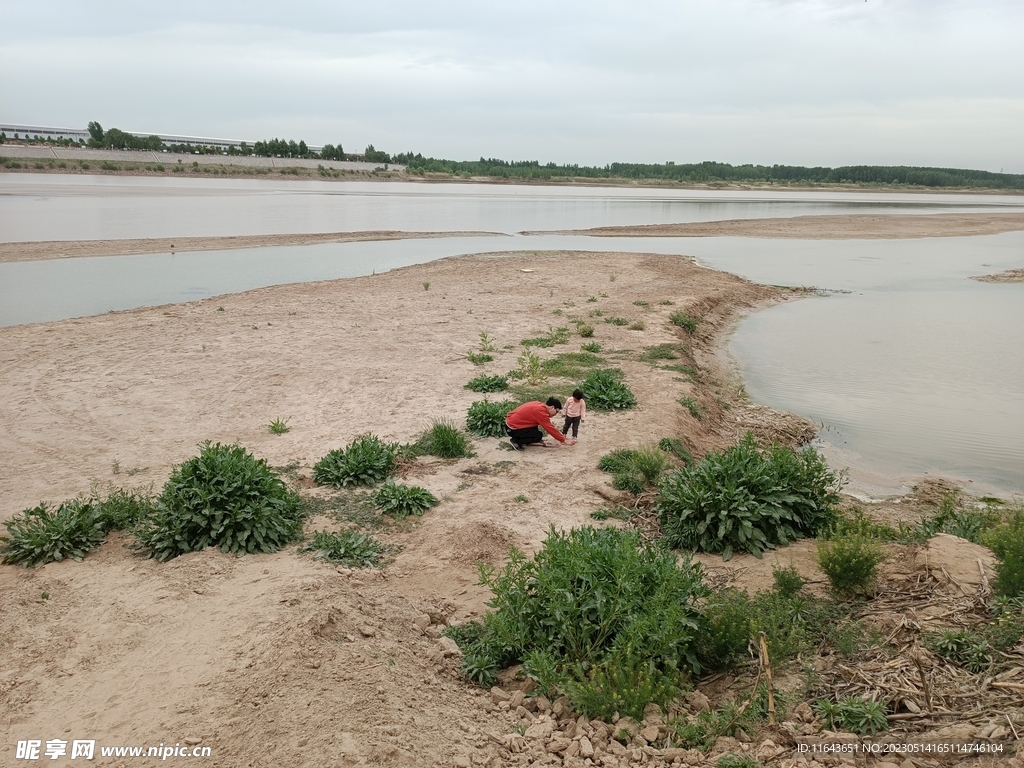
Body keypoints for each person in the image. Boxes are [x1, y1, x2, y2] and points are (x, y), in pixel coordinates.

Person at [505, 398, 577, 450]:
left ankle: (524, 438)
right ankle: (516, 441)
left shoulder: (539, 405)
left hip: (510, 422)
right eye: (556, 411)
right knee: (538, 435)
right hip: (512, 428)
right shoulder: (541, 412)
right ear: (552, 407)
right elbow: (549, 428)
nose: (556, 414)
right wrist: (564, 440)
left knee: (535, 430)